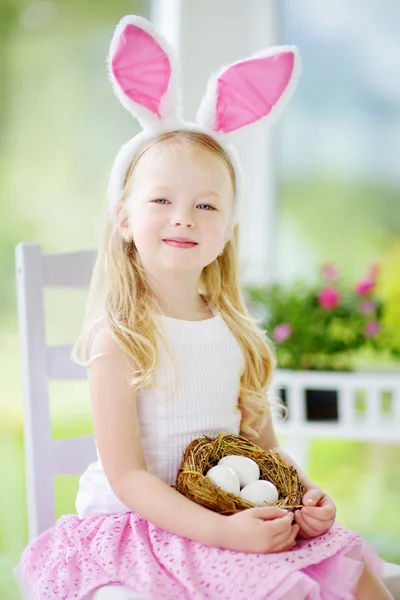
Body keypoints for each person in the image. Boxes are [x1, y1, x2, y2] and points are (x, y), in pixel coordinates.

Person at [14, 15, 393, 600]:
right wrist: (223, 532)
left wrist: (305, 495)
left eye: (206, 206)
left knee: (359, 575)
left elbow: (263, 451)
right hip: (146, 530)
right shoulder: (120, 337)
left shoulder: (237, 334)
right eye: (161, 199)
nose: (184, 216)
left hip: (235, 516)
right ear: (125, 219)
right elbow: (129, 477)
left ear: (229, 228)